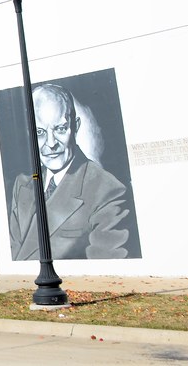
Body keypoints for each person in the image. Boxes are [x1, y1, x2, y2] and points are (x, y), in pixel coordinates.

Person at [9, 83, 132, 260]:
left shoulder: (107, 190)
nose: (51, 143)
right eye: (40, 132)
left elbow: (109, 265)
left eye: (60, 129)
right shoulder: (22, 185)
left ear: (75, 126)